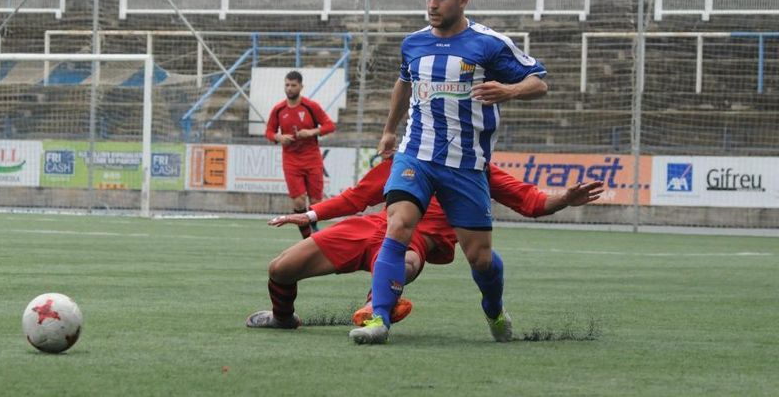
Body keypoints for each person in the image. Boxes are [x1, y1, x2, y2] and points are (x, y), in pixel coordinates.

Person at [351, 0, 549, 344]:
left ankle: (493, 309)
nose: (432, 3)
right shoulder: (413, 43)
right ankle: (378, 319)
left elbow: (538, 82)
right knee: (398, 225)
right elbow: (403, 83)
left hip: (466, 164)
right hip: (416, 154)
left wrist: (508, 91)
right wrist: (390, 130)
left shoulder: (488, 44)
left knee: (480, 258)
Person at [245, 157, 603, 332]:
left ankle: (378, 307)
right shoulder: (404, 160)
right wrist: (309, 216)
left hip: (414, 239)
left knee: (413, 261)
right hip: (368, 228)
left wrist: (563, 199)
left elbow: (530, 200)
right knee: (280, 269)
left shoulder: (475, 167)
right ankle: (283, 318)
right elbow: (358, 196)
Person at [265, 70, 336, 239]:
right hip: (291, 160)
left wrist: (311, 132)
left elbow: (329, 126)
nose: (289, 88)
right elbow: (268, 131)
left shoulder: (311, 107)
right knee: (298, 201)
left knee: (315, 202)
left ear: (301, 86)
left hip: (312, 159)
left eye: (293, 85)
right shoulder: (278, 109)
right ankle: (307, 239)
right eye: (287, 85)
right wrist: (279, 137)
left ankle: (314, 229)